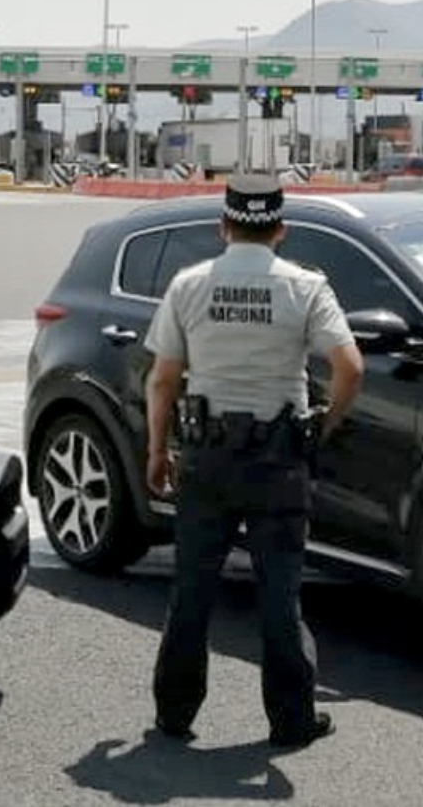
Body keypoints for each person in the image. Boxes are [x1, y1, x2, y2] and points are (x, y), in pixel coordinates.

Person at [141, 173, 362, 750]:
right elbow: (351, 368)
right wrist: (321, 425)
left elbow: (163, 379)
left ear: (223, 226)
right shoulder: (305, 288)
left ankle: (174, 715)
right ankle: (291, 720)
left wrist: (155, 451)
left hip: (206, 461)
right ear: (280, 230)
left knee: (191, 591)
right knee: (279, 595)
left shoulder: (190, 285)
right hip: (278, 463)